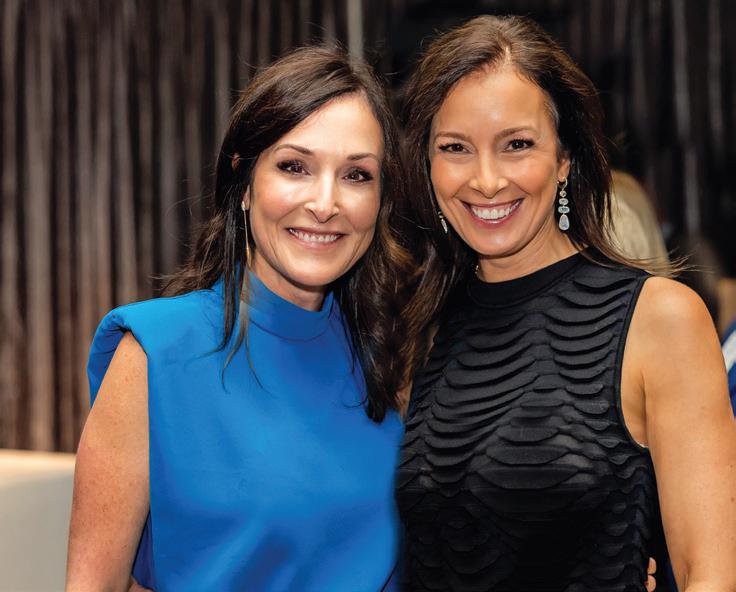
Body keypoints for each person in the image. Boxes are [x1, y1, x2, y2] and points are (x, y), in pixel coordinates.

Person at [395, 15, 736, 591]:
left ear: (564, 159)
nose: (486, 180)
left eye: (517, 145)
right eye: (455, 148)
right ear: (427, 166)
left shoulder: (660, 319)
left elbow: (711, 575)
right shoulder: (422, 329)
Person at [66, 47, 412, 591]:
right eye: (295, 167)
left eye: (356, 175)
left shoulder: (396, 355)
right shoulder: (154, 354)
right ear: (244, 182)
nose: (325, 203)